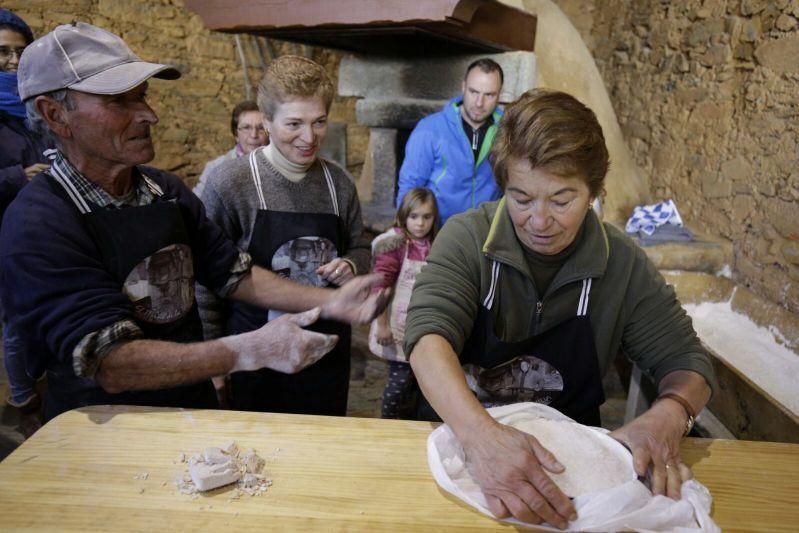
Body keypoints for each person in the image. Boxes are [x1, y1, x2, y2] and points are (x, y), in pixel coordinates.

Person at [0, 22, 388, 422]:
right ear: (55, 114)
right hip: (107, 427)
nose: (149, 115)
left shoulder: (165, 191)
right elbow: (111, 362)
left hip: (190, 409)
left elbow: (233, 273)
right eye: (120, 102)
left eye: (143, 96)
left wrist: (332, 301)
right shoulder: (38, 223)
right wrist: (245, 350)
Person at [403, 89, 716, 529]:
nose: (539, 220)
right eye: (522, 198)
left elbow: (688, 361)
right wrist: (481, 437)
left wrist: (668, 416)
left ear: (593, 192)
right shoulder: (468, 238)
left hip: (569, 474)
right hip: (460, 449)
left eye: (562, 200)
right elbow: (426, 336)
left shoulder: (621, 264)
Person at [198, 55, 370, 416]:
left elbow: (360, 245)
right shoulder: (230, 184)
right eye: (294, 123)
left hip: (326, 353)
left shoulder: (338, 184)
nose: (309, 138)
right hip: (253, 356)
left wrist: (352, 264)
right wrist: (213, 359)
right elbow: (204, 282)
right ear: (266, 121)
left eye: (319, 122)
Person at [0, 8, 51, 433]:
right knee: (17, 318)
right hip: (6, 233)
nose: (13, 62)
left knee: (45, 311)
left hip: (45, 229)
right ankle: (22, 399)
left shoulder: (35, 109)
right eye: (2, 53)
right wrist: (18, 178)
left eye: (20, 53)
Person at [396, 58, 504, 225]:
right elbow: (410, 186)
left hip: (486, 232)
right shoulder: (429, 129)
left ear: (500, 94)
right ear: (463, 87)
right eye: (473, 92)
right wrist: (405, 235)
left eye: (489, 95)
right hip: (439, 232)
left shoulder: (508, 131)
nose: (479, 103)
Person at [368, 187, 439, 419]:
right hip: (395, 326)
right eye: (414, 216)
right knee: (398, 382)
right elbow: (381, 287)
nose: (420, 223)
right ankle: (387, 423)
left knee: (421, 382)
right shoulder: (395, 245)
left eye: (426, 217)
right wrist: (382, 324)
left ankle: (412, 422)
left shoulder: (434, 245)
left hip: (421, 326)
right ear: (404, 216)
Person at [192, 100, 268, 197]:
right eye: (246, 127)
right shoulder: (216, 168)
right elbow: (197, 206)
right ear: (236, 134)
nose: (254, 135)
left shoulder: (283, 167)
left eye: (261, 128)